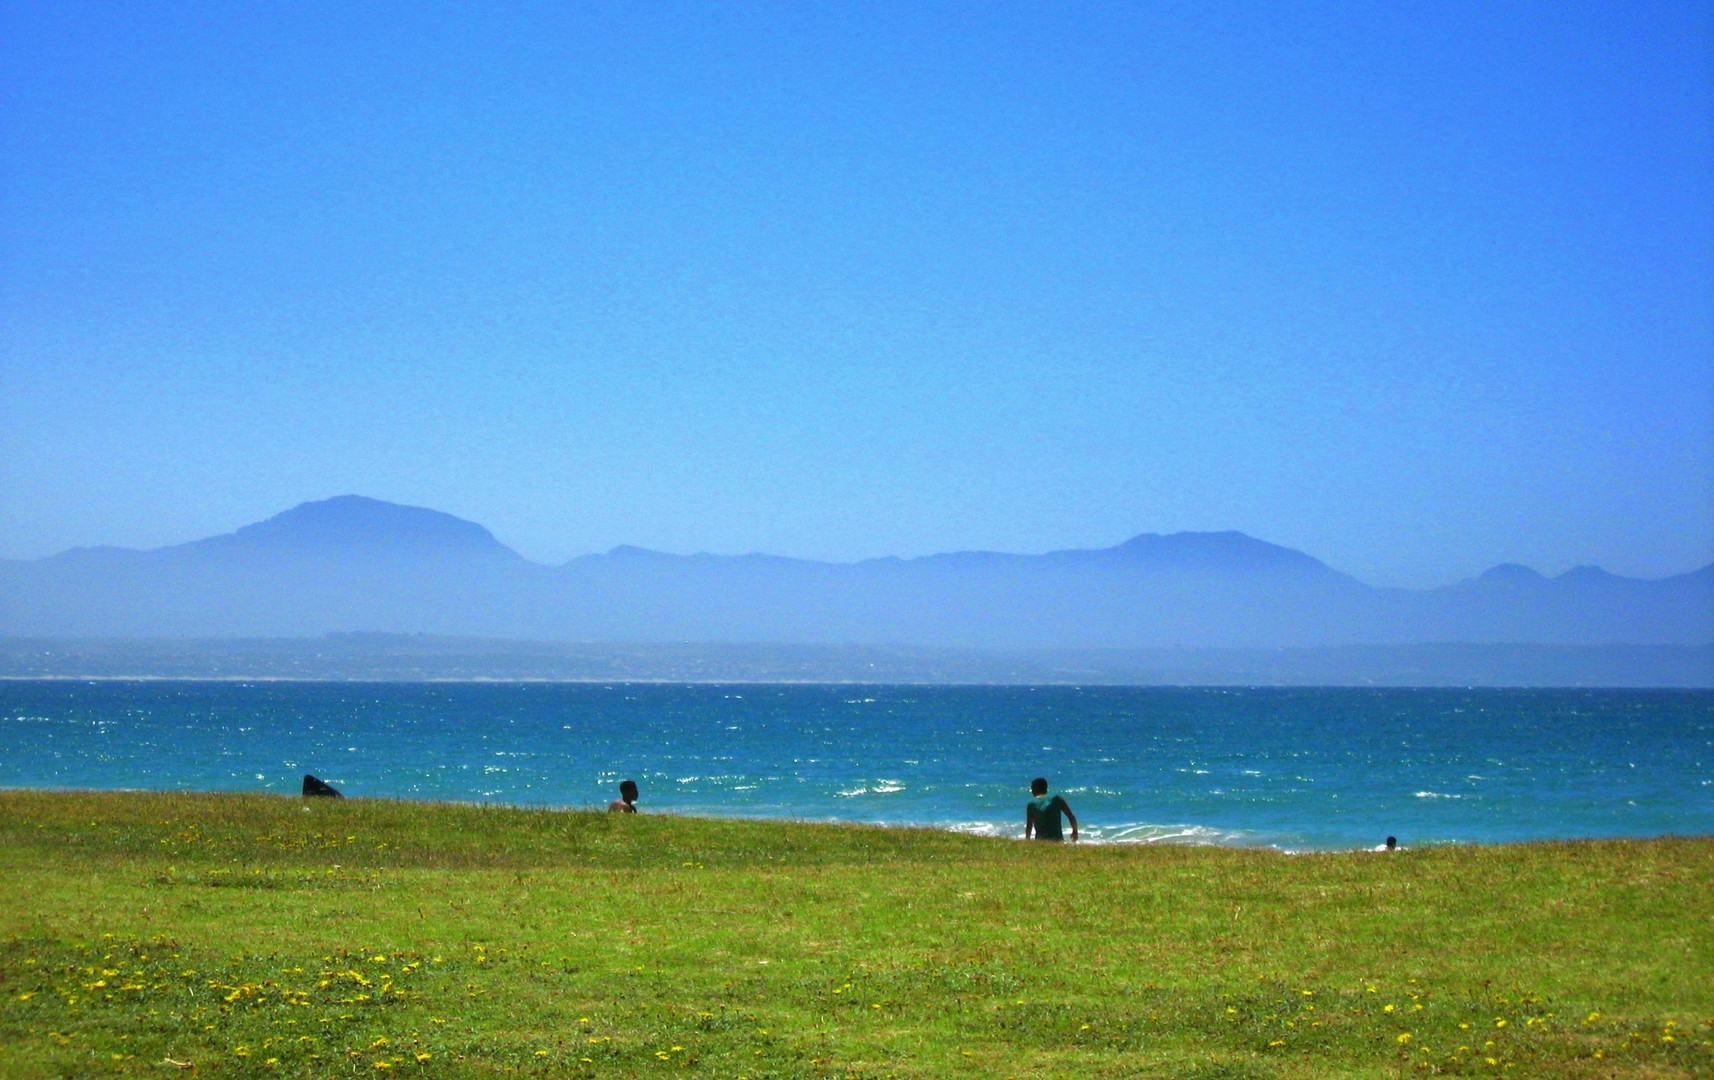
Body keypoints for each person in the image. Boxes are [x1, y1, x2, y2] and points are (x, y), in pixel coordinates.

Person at [1025, 777, 1077, 842]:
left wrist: (1027, 840)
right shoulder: (1056, 798)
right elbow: (1070, 816)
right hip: (1057, 841)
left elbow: (1029, 826)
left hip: (1040, 842)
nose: (1031, 791)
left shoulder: (1031, 804)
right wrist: (1075, 831)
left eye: (1032, 788)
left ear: (1036, 789)